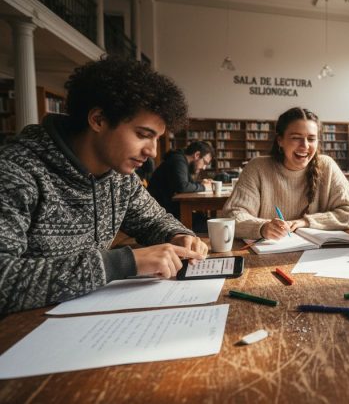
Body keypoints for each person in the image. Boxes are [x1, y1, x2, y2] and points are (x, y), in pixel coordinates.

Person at [0, 56, 208, 314]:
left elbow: (153, 220)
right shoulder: (16, 171)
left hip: (88, 317)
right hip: (21, 335)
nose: (153, 152)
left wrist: (178, 236)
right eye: (143, 135)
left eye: (157, 138)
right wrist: (121, 263)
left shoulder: (120, 176)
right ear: (98, 119)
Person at [223, 107, 349, 239]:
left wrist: (305, 222)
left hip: (317, 256)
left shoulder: (327, 166)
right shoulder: (257, 167)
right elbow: (232, 215)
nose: (305, 146)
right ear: (280, 140)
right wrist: (262, 227)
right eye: (296, 138)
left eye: (311, 138)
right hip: (268, 255)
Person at [148, 141, 214, 219]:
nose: (204, 168)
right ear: (197, 155)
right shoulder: (178, 160)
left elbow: (187, 183)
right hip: (161, 214)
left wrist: (201, 183)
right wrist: (204, 187)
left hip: (166, 209)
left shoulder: (182, 160)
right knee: (205, 222)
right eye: (205, 163)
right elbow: (182, 187)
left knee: (203, 219)